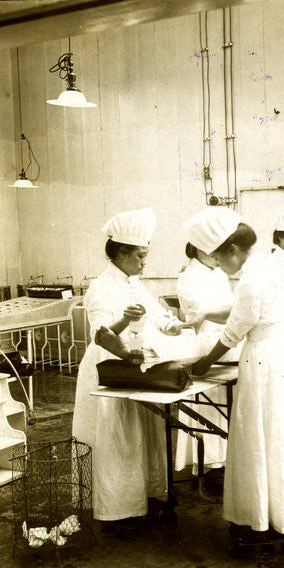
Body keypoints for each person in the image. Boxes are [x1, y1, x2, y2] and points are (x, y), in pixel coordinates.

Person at [188, 207, 284, 548]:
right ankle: (278, 513)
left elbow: (233, 331)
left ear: (231, 250)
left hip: (264, 362)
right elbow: (239, 310)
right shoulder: (265, 266)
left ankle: (263, 520)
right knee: (278, 436)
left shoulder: (249, 278)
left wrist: (203, 364)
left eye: (217, 257)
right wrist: (202, 314)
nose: (217, 264)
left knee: (261, 438)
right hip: (280, 358)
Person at [71, 208, 184, 533]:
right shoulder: (101, 287)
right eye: (140, 256)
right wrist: (124, 319)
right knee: (117, 439)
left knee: (142, 432)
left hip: (136, 363)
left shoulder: (134, 282)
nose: (144, 263)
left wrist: (172, 324)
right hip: (109, 368)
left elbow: (155, 312)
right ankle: (117, 512)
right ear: (121, 253)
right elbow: (101, 332)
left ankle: (144, 499)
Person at [173, 239, 235, 485]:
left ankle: (225, 460)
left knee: (224, 404)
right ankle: (210, 464)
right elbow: (203, 316)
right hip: (204, 343)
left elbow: (231, 308)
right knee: (211, 407)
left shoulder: (218, 273)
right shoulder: (188, 278)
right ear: (200, 249)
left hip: (224, 337)